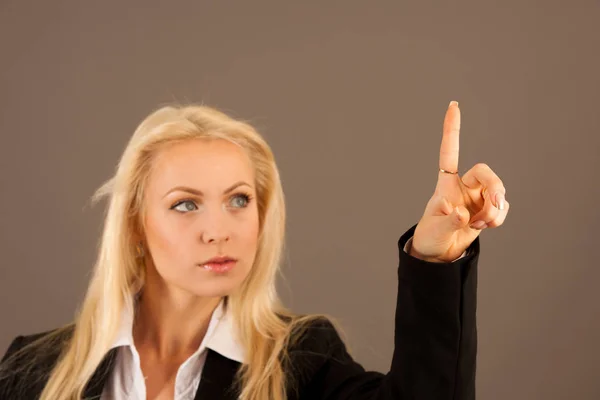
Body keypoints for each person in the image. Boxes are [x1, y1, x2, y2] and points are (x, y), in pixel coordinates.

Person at [0, 101, 509, 400]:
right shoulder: (33, 368)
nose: (218, 230)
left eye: (239, 200)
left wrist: (435, 259)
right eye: (185, 205)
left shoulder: (302, 362)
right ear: (135, 223)